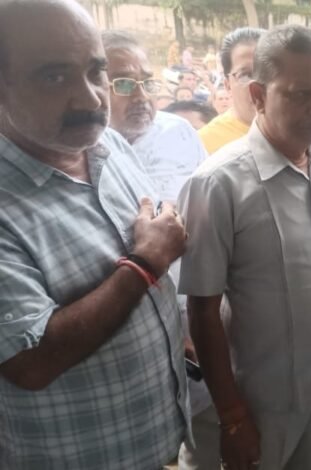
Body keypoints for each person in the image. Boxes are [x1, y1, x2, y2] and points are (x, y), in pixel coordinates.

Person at [0, 1, 189, 468]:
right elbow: (31, 361)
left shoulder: (108, 144)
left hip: (160, 441)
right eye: (54, 77)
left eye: (95, 71)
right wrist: (145, 265)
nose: (90, 99)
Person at [178, 24, 311, 470]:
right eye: (300, 94)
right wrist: (232, 416)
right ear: (258, 96)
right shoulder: (218, 184)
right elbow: (202, 311)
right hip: (257, 402)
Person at [103, 30, 207, 202]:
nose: (142, 96)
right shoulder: (81, 151)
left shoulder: (179, 131)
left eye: (147, 82)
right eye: (124, 83)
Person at [198, 27, 264, 155]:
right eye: (246, 75)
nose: (260, 84)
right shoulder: (204, 144)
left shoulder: (300, 133)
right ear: (228, 85)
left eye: (271, 73)